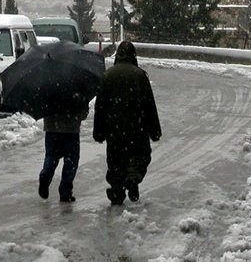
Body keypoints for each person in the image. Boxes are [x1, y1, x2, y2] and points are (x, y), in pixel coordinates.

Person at [92, 41, 161, 205]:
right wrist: (154, 130)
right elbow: (149, 105)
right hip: (137, 127)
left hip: (114, 129)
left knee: (115, 160)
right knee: (139, 156)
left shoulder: (108, 76)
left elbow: (100, 106)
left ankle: (116, 189)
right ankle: (133, 178)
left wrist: (99, 131)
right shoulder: (140, 76)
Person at [38, 95, 89, 203]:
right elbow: (83, 113)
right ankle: (65, 191)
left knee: (51, 155)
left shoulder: (48, 84)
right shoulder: (78, 85)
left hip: (51, 126)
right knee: (71, 160)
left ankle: (46, 174)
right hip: (71, 128)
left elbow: (42, 106)